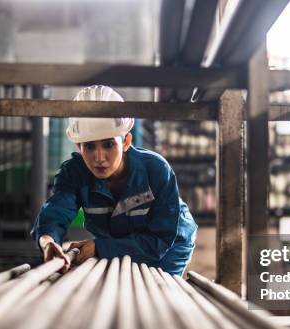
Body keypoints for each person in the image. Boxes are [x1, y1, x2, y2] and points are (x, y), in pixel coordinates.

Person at [31, 85, 197, 276]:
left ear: (126, 142)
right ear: (78, 146)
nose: (99, 157)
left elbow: (159, 242)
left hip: (170, 245)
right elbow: (55, 213)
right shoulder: (74, 173)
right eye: (89, 146)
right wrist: (48, 240)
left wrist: (99, 248)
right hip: (117, 239)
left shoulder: (156, 170)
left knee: (154, 292)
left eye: (109, 144)